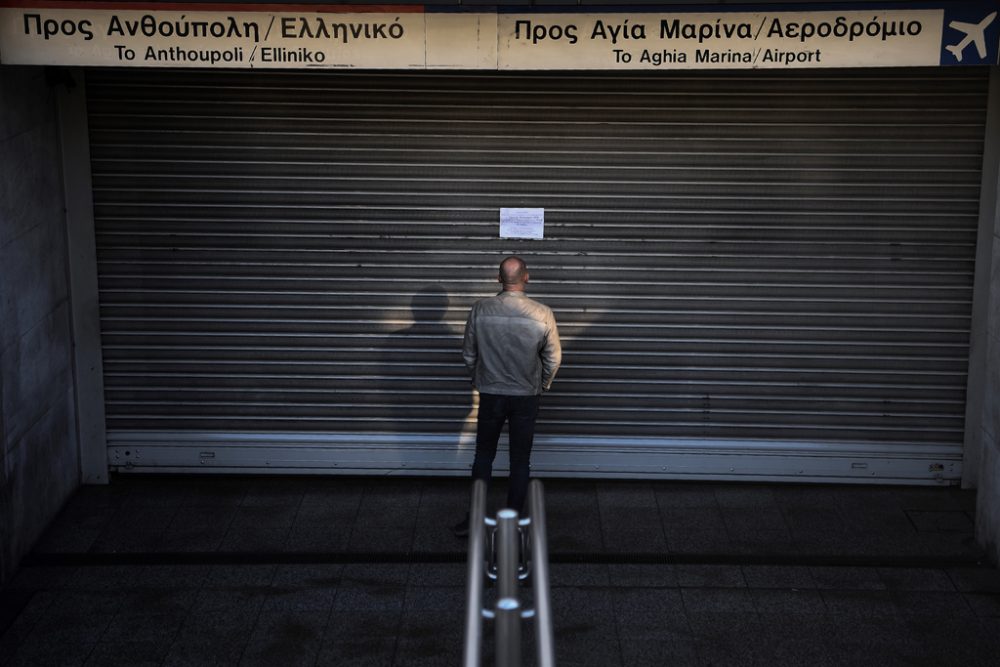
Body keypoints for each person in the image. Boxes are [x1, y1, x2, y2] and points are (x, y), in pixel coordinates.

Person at [453, 256, 561, 537]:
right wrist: (542, 384)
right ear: (527, 277)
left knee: (483, 455)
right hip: (525, 395)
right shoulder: (543, 312)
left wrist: (480, 379)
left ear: (498, 278)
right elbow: (553, 358)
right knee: (520, 460)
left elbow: (468, 354)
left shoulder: (480, 309)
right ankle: (513, 523)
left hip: (491, 393)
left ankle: (475, 520)